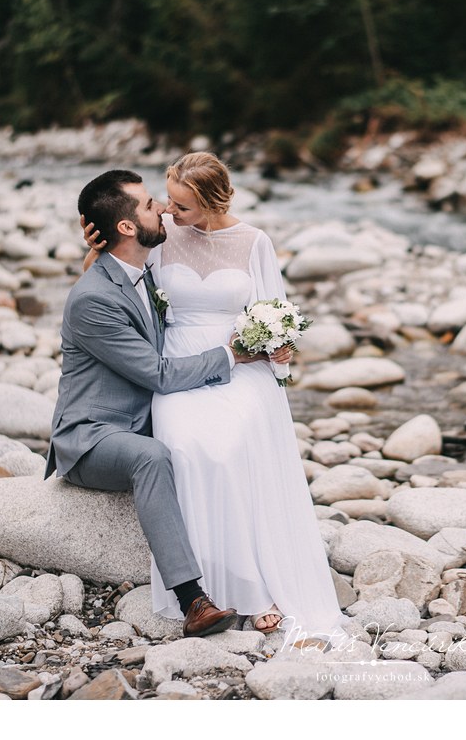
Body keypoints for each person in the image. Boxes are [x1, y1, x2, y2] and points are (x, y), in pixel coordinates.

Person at [83, 153, 347, 645]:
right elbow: (120, 276)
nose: (166, 211)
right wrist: (95, 248)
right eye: (166, 200)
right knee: (182, 447)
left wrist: (280, 346)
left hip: (241, 364)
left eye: (180, 206)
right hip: (179, 364)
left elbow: (274, 308)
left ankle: (259, 584)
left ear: (209, 204)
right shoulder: (162, 237)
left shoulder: (255, 242)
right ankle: (209, 588)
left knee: (231, 448)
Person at [46, 168, 282, 639]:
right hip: (95, 435)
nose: (165, 211)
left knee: (223, 442)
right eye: (153, 204)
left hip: (145, 413)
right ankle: (193, 599)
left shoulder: (138, 267)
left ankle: (254, 569)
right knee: (154, 457)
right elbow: (157, 373)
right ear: (130, 228)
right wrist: (232, 355)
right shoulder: (93, 299)